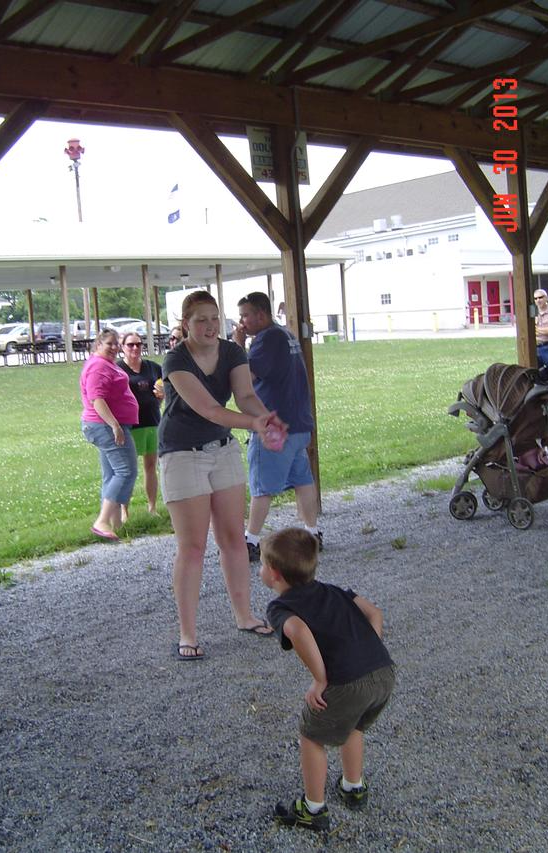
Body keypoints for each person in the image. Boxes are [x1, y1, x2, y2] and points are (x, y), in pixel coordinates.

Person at [159, 290, 286, 660]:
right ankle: (188, 634)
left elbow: (245, 395)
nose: (210, 326)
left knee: (233, 539)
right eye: (201, 319)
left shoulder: (232, 351)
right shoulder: (176, 359)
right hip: (183, 454)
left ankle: (245, 616)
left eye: (215, 318)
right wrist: (256, 425)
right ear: (186, 324)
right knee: (193, 546)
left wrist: (264, 417)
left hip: (222, 450)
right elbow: (210, 410)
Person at [260, 528, 395, 832]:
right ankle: (352, 786)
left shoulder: (281, 607)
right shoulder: (332, 590)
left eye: (261, 565)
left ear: (274, 573)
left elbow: (297, 631)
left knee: (312, 734)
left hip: (347, 682)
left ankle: (313, 808)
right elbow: (375, 613)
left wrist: (319, 679)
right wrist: (366, 650)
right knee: (354, 723)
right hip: (382, 671)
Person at [233, 292, 321, 562]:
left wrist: (238, 346)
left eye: (246, 315)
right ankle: (313, 533)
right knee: (302, 480)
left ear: (262, 314)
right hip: (299, 422)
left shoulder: (266, 340)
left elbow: (247, 376)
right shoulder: (286, 334)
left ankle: (251, 540)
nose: (242, 322)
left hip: (274, 426)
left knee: (262, 486)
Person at [80, 329, 139, 541]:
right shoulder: (98, 366)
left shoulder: (105, 364)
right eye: (109, 344)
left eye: (116, 343)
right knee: (126, 471)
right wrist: (115, 426)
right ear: (98, 345)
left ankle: (113, 524)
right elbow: (97, 399)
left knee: (112, 474)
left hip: (105, 424)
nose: (114, 348)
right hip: (104, 425)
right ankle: (102, 521)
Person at [118, 331, 164, 517]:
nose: (135, 348)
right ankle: (124, 511)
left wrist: (161, 395)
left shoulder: (153, 367)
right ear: (123, 348)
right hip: (129, 424)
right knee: (128, 469)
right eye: (130, 345)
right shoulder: (118, 369)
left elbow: (164, 388)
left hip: (152, 421)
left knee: (151, 465)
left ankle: (152, 507)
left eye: (138, 344)